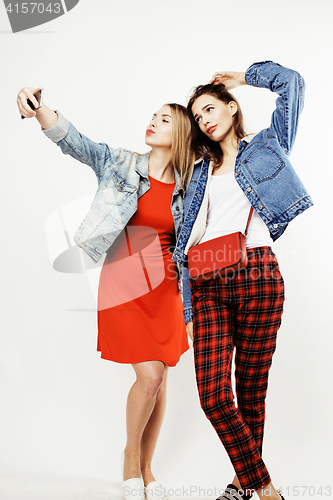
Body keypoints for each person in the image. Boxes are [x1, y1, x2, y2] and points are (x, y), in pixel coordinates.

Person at [17, 88, 194, 500]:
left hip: (167, 290)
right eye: (153, 115)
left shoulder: (192, 184)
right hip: (125, 284)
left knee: (160, 381)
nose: (152, 121)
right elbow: (77, 143)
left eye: (164, 119)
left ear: (182, 133)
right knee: (148, 376)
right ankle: (130, 459)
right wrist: (41, 108)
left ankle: (148, 470)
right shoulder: (120, 163)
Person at [172, 61, 313, 500]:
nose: (204, 119)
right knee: (214, 396)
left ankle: (239, 485)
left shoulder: (268, 146)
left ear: (232, 109)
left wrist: (242, 76)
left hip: (258, 273)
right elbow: (182, 246)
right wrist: (189, 308)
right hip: (209, 281)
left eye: (211, 109)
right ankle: (265, 488)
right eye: (198, 116)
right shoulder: (196, 171)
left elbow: (293, 84)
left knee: (251, 393)